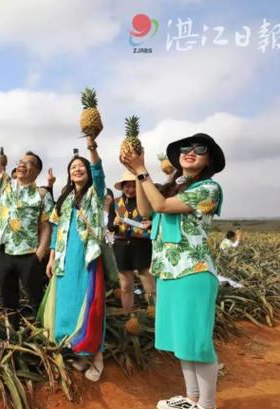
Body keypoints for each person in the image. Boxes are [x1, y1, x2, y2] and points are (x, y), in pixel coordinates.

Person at [121, 133, 225, 409]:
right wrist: (135, 174)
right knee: (183, 339)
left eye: (199, 149)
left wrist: (143, 170)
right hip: (168, 272)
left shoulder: (209, 188)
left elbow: (161, 206)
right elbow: (146, 210)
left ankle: (208, 404)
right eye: (185, 148)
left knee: (197, 343)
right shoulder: (173, 186)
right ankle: (192, 398)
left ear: (209, 160)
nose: (190, 152)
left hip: (193, 271)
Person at [39, 135, 107, 382]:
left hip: (86, 257)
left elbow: (99, 173)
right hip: (64, 257)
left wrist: (91, 146)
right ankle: (79, 350)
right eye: (72, 167)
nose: (77, 170)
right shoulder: (66, 199)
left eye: (81, 167)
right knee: (67, 304)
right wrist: (51, 258)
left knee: (89, 304)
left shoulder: (95, 194)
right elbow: (56, 229)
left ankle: (97, 357)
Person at [0, 117, 53, 330]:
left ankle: (42, 335)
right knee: (8, 299)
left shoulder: (42, 194)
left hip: (29, 255)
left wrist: (40, 252)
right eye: (20, 161)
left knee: (35, 297)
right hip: (3, 253)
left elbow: (46, 225)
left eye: (28, 163)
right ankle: (13, 332)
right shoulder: (4, 185)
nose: (22, 164)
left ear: (37, 171)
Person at [109, 171, 156, 313]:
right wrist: (114, 223)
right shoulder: (115, 203)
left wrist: (151, 224)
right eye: (127, 186)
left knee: (150, 288)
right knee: (125, 287)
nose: (130, 189)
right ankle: (128, 314)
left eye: (134, 186)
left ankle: (154, 315)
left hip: (142, 246)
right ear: (122, 187)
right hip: (122, 247)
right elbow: (110, 227)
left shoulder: (147, 202)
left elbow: (156, 223)